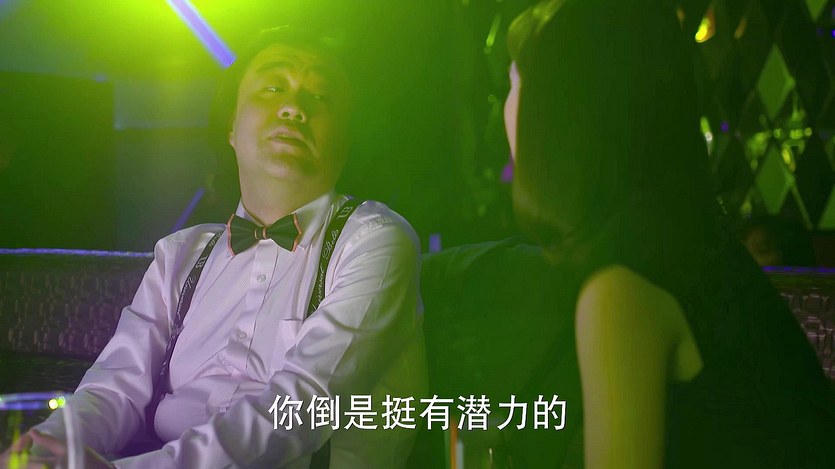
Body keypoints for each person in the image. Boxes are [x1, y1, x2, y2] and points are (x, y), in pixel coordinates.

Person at [2, 25, 426, 468]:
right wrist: (42, 451)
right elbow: (112, 388)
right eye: (273, 87)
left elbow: (301, 405)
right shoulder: (181, 254)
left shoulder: (374, 239)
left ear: (345, 139)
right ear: (231, 127)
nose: (293, 108)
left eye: (320, 97)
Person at [503, 0, 835, 467]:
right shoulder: (701, 248)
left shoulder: (620, 292)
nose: (506, 108)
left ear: (559, 117)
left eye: (514, 84)